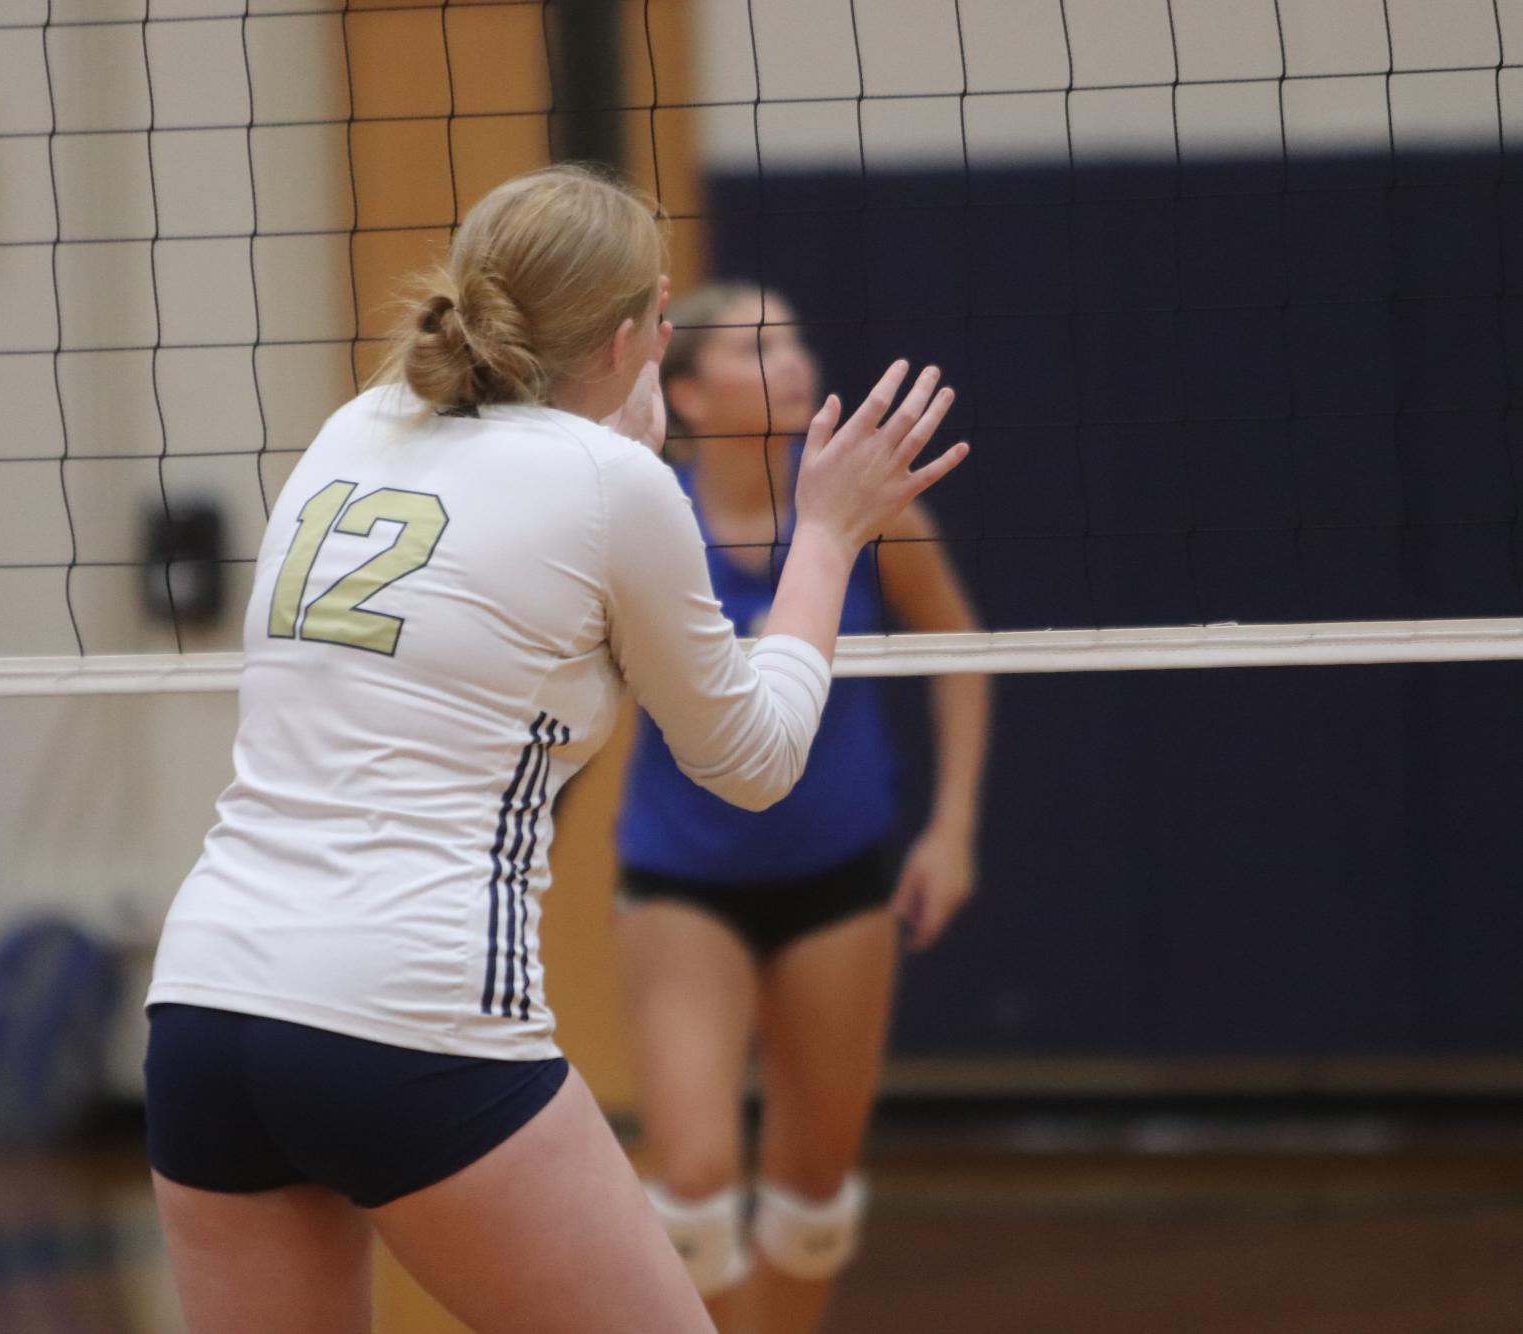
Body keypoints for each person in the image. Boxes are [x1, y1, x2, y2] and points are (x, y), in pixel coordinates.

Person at [142, 164, 968, 1334]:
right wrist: (828, 535)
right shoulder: (617, 483)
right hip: (411, 1016)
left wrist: (614, 423)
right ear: (635, 336)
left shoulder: (356, 423)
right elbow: (755, 758)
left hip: (207, 1009)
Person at [613, 285, 992, 1333]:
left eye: (793, 338)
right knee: (691, 1170)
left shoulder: (873, 512)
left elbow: (964, 652)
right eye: (754, 344)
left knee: (814, 1181)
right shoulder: (648, 513)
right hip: (682, 877)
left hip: (839, 875)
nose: (790, 359)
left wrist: (951, 826)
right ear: (685, 391)